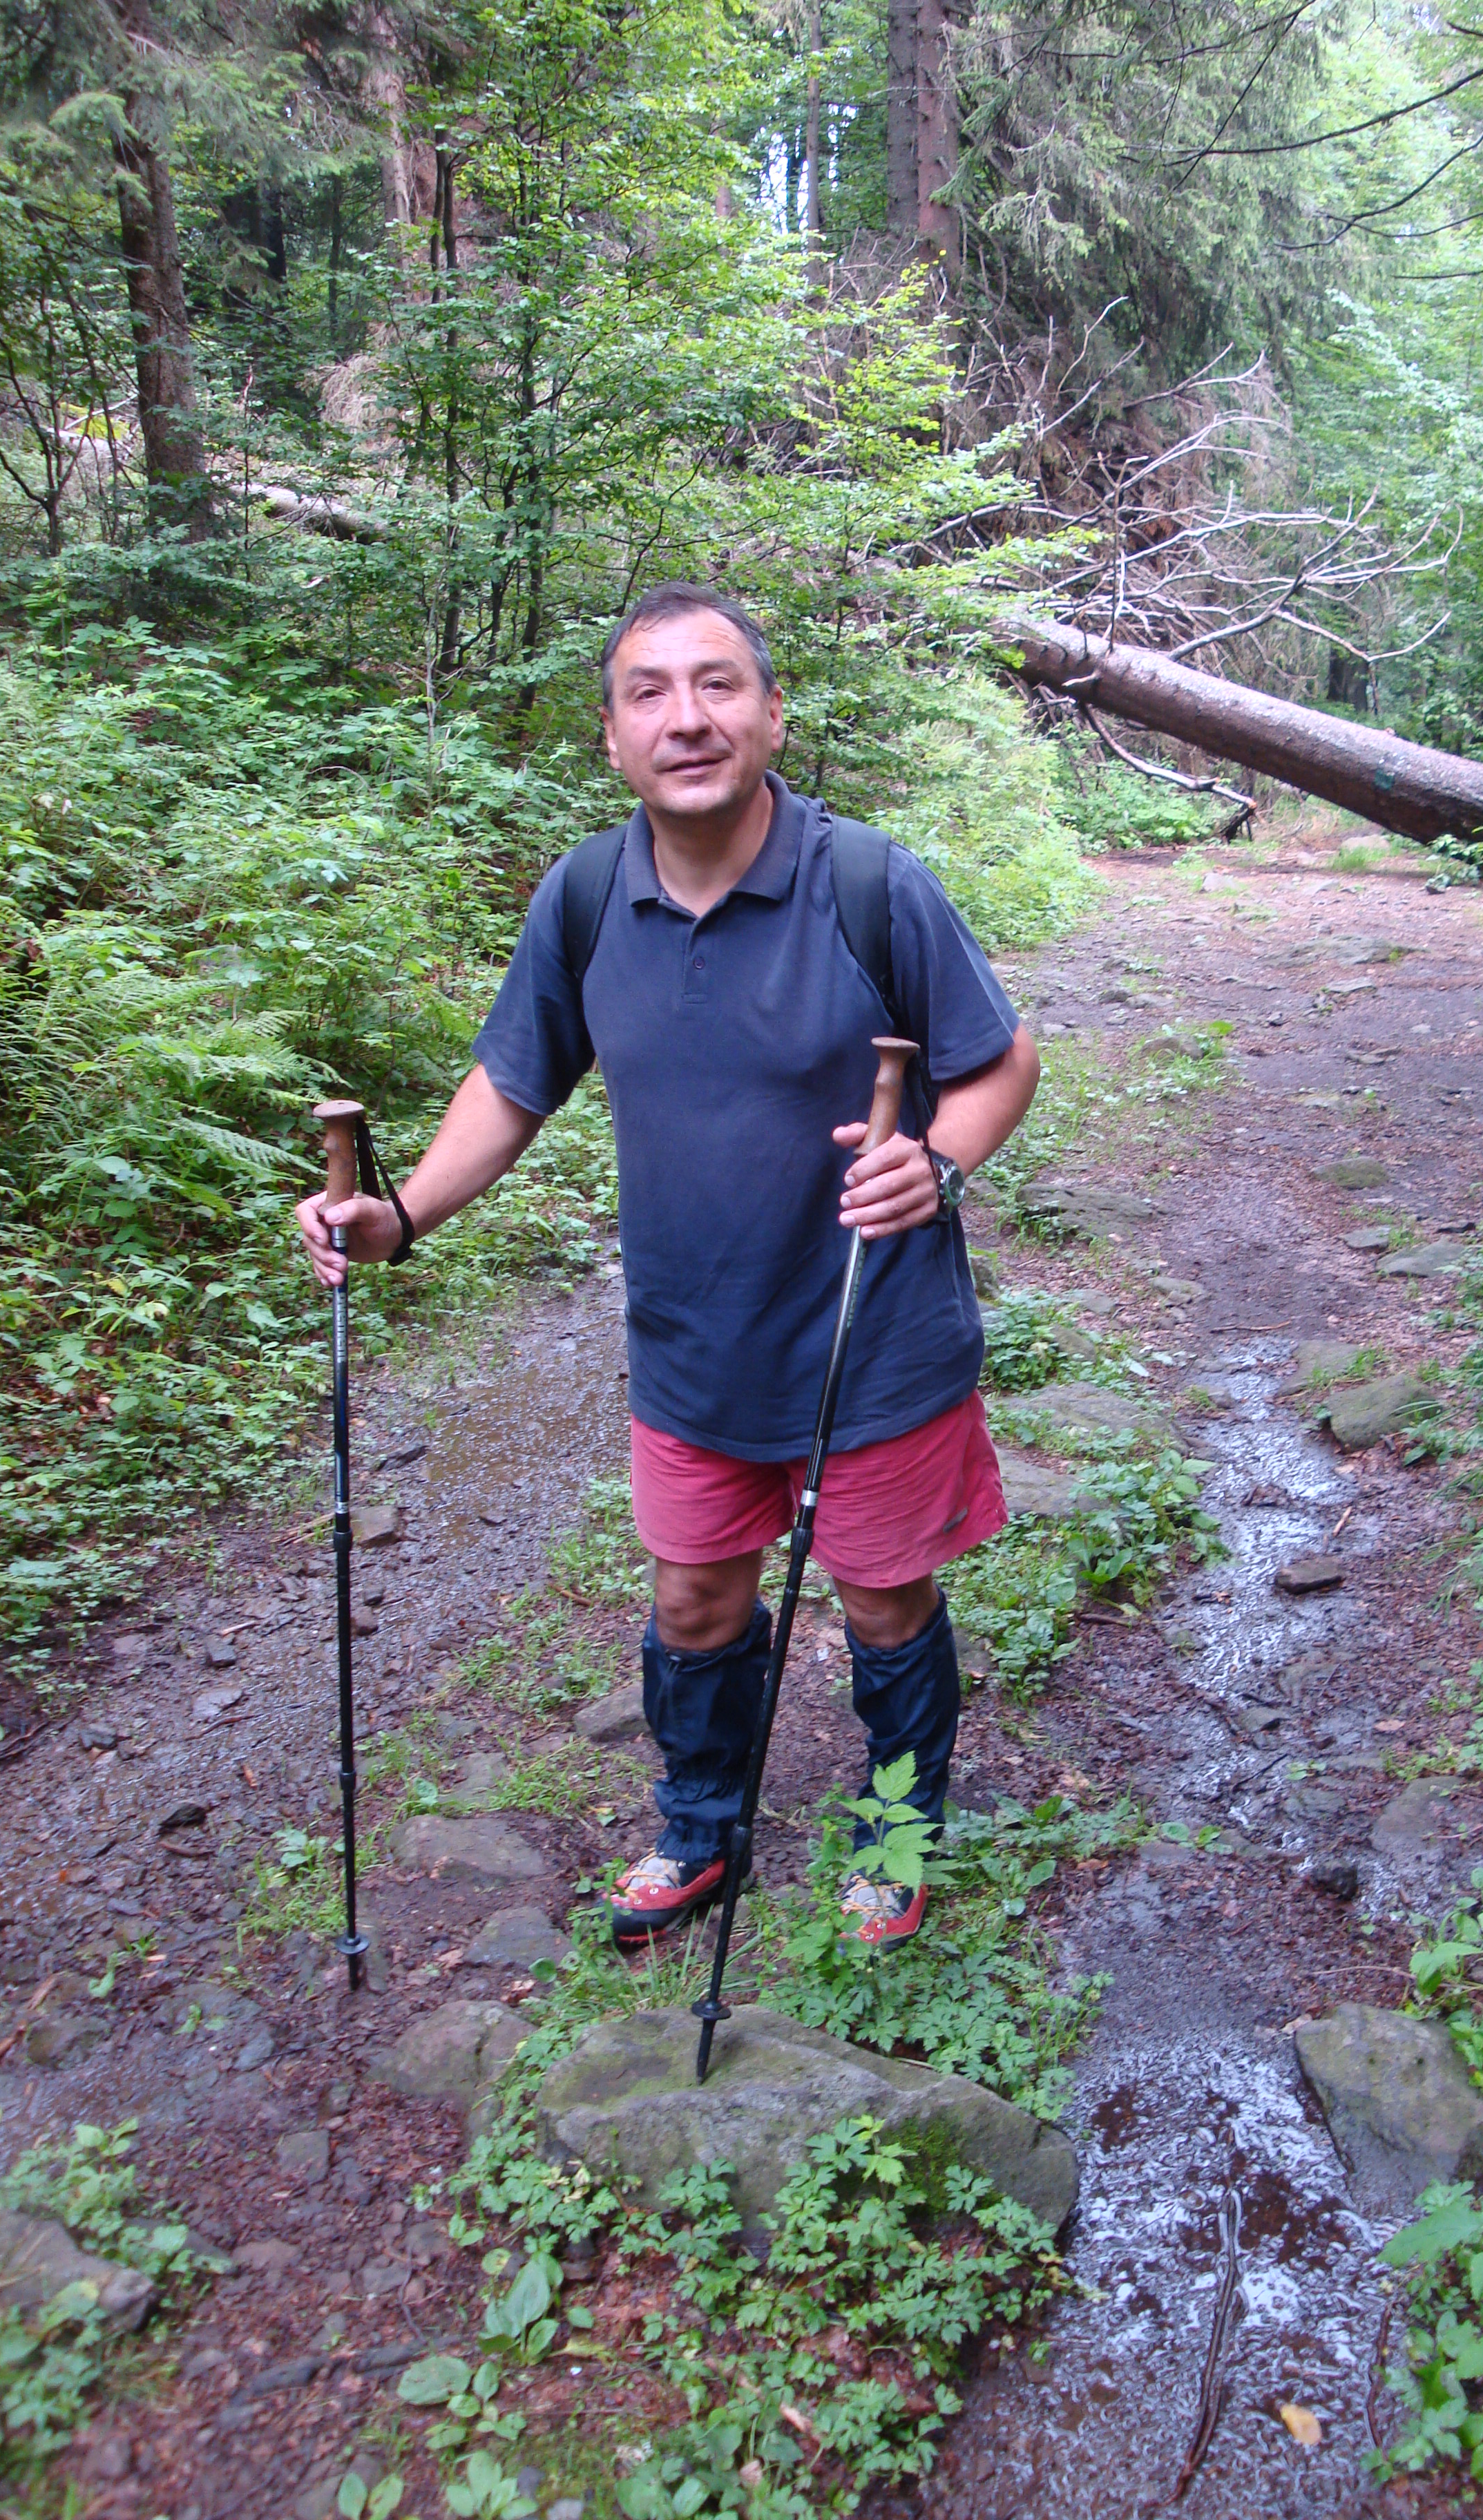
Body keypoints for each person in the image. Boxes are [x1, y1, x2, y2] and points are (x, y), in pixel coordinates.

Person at [296, 582, 1040, 1949]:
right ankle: (702, 1829)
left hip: (873, 1338)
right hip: (694, 1346)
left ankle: (893, 1836)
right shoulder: (587, 898)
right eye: (650, 692)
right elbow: (511, 1084)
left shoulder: (871, 886)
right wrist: (399, 1216)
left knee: (884, 1602)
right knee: (695, 1599)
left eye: (717, 685)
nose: (686, 719)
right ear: (612, 736)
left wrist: (938, 1162)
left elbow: (999, 1063)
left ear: (771, 716)